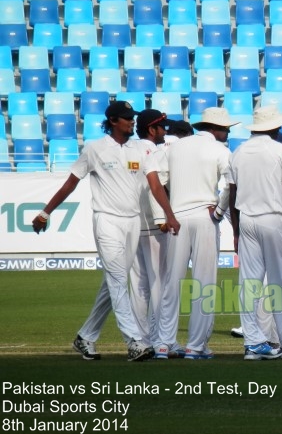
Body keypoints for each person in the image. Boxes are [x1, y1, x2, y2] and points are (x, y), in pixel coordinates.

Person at [32, 101, 180, 362]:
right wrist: (45, 213)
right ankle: (134, 342)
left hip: (133, 221)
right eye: (126, 118)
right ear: (113, 121)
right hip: (107, 221)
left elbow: (156, 186)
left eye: (132, 118)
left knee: (113, 282)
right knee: (117, 279)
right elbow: (70, 184)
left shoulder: (141, 149)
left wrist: (169, 214)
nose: (132, 122)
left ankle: (86, 336)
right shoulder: (95, 149)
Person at [229, 105, 282, 360]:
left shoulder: (238, 152)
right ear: (274, 127)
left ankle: (254, 343)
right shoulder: (279, 149)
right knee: (279, 283)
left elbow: (232, 196)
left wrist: (236, 232)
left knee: (249, 284)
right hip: (273, 219)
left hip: (247, 221)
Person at [154, 107, 238, 360]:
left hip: (177, 218)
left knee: (171, 282)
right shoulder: (221, 150)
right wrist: (220, 211)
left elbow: (158, 182)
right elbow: (232, 185)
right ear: (215, 129)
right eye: (226, 129)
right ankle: (195, 346)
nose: (228, 132)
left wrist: (168, 213)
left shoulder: (175, 147)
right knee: (204, 284)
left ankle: (163, 343)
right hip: (204, 216)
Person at [129, 109, 186, 357]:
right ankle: (163, 340)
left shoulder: (129, 149)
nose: (165, 131)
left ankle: (142, 341)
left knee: (139, 286)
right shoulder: (155, 152)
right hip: (155, 224)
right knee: (161, 282)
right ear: (151, 129)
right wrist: (164, 217)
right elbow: (157, 187)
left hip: (133, 224)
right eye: (162, 127)